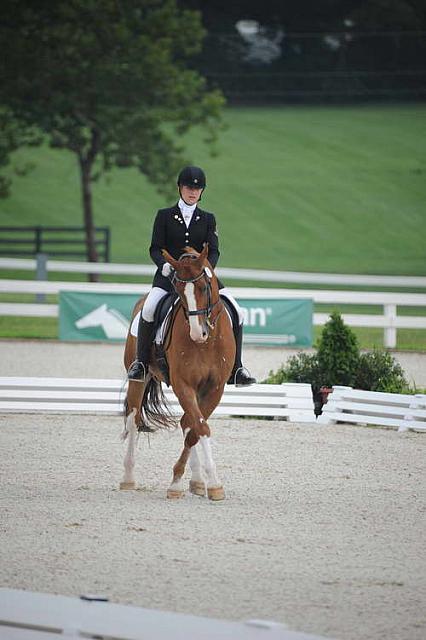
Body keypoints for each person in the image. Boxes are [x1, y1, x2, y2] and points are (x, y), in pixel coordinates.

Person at [127, 165, 256, 387]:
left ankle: (237, 368)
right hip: (169, 278)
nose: (193, 192)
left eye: (197, 188)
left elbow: (214, 250)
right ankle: (140, 363)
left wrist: (207, 269)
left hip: (200, 279)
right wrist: (164, 266)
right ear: (180, 188)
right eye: (188, 187)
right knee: (147, 310)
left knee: (237, 310)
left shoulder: (208, 219)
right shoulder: (165, 216)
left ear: (202, 191)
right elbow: (155, 248)